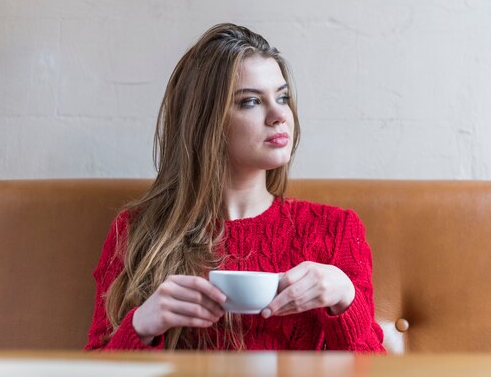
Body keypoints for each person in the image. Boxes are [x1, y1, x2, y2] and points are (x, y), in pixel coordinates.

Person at [84, 23, 385, 352]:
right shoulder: (138, 231)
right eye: (251, 102)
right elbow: (98, 365)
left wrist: (345, 299)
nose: (279, 115)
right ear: (207, 121)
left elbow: (374, 369)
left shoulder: (336, 230)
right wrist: (142, 325)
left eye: (282, 97)